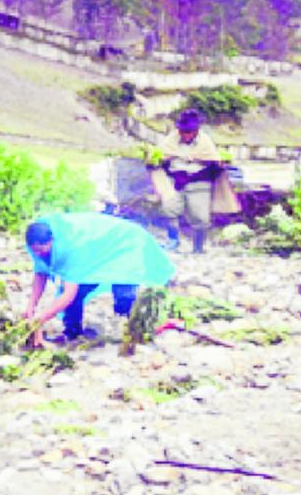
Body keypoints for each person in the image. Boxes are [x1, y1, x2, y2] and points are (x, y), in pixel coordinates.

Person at [23, 212, 175, 347]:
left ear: (52, 241)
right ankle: (72, 333)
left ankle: (141, 331)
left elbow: (69, 293)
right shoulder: (37, 245)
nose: (40, 254)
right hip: (94, 250)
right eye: (36, 251)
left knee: (124, 295)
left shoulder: (72, 247)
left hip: (123, 242)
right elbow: (40, 274)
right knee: (79, 294)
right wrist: (31, 307)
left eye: (43, 250)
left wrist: (40, 320)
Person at [150, 108, 240, 253]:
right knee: (169, 209)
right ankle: (173, 240)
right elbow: (162, 159)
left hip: (199, 181)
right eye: (182, 131)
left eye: (188, 131)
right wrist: (171, 173)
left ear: (196, 130)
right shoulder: (170, 140)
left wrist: (191, 177)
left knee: (200, 217)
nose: (185, 135)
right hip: (176, 181)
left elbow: (213, 165)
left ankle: (198, 247)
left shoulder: (205, 143)